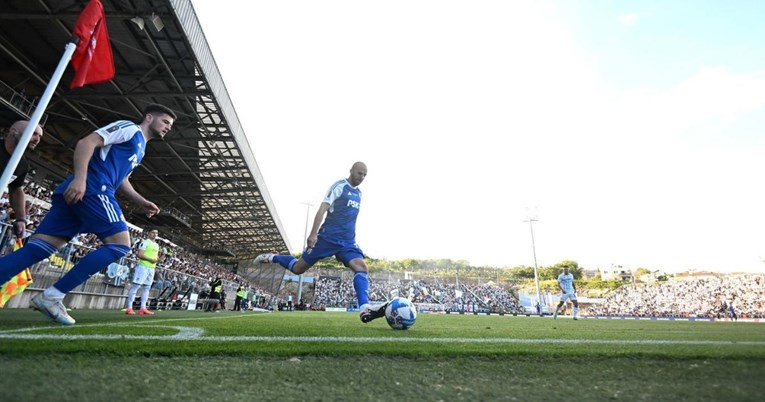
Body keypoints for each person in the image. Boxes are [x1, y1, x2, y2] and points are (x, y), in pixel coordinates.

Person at [0, 104, 176, 325]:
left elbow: (122, 178)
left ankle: (46, 294)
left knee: (39, 248)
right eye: (165, 122)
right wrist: (81, 179)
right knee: (121, 245)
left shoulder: (141, 148)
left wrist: (141, 201)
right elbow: (87, 142)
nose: (168, 127)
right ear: (149, 117)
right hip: (94, 188)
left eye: (170, 125)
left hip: (83, 192)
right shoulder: (129, 129)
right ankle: (52, 296)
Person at [255, 162, 387, 323]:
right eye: (360, 173)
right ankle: (273, 257)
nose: (362, 177)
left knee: (361, 267)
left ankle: (364, 308)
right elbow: (321, 210)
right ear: (351, 171)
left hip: (347, 242)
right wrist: (313, 234)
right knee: (298, 268)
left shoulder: (359, 193)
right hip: (327, 238)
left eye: (365, 175)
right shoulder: (339, 186)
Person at [0, 120, 44, 239]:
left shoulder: (22, 164)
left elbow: (16, 189)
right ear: (13, 131)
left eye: (40, 136)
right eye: (34, 133)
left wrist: (21, 219)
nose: (37, 139)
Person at [125, 228, 161, 315]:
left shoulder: (156, 245)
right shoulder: (145, 242)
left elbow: (155, 257)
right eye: (153, 232)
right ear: (149, 233)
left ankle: (143, 308)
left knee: (147, 288)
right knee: (136, 286)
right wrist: (151, 259)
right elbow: (140, 254)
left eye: (156, 233)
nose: (155, 234)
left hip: (151, 268)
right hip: (143, 267)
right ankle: (129, 308)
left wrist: (157, 259)